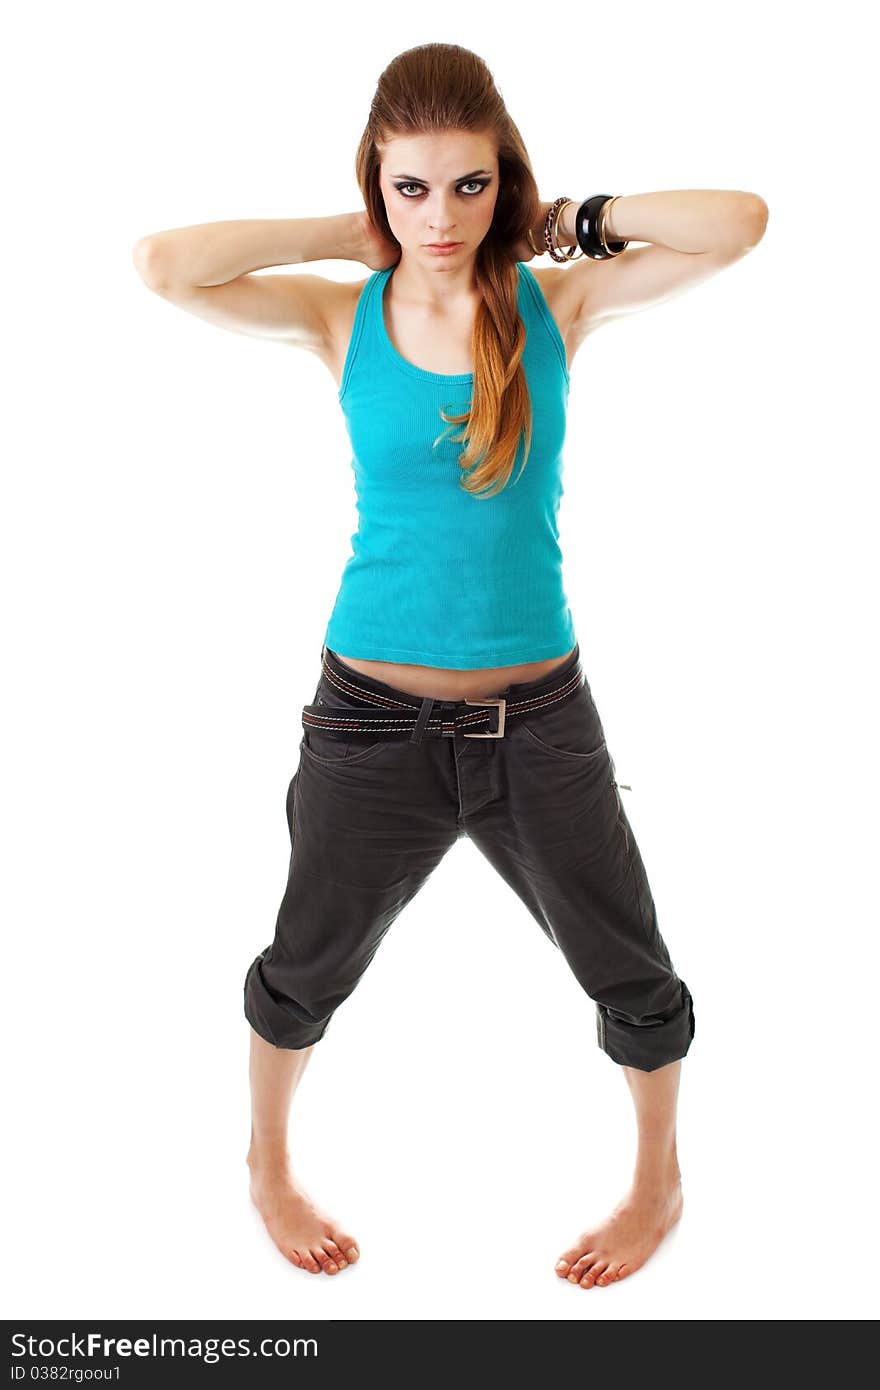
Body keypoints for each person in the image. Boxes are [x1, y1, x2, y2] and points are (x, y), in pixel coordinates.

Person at [133, 42, 767, 1288]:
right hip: (367, 722)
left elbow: (737, 225)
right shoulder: (339, 313)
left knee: (631, 970)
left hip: (540, 722)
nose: (441, 217)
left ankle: (658, 1179)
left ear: (503, 182)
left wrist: (567, 222)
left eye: (468, 187)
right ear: (379, 184)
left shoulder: (555, 304)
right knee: (303, 966)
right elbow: (163, 265)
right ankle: (266, 1160)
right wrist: (351, 227)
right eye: (410, 187)